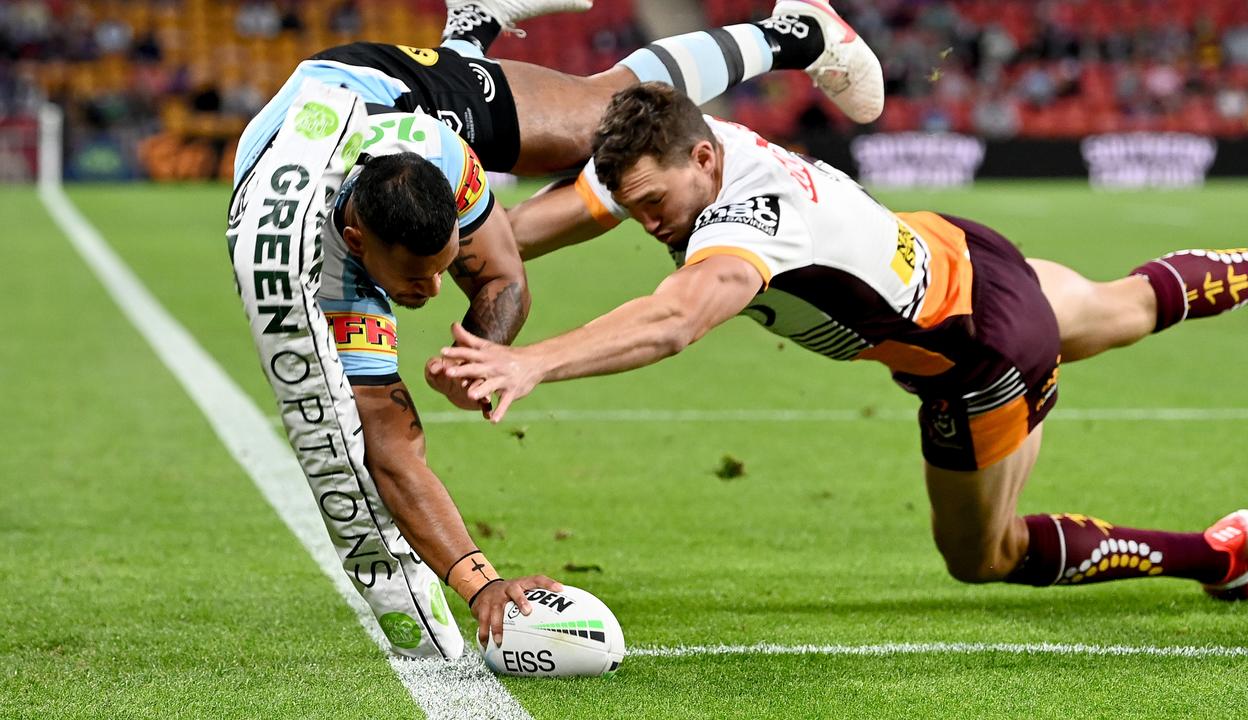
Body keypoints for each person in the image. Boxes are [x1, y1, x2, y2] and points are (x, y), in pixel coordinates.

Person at [438, 82, 1248, 604]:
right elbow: (541, 221)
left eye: (655, 204)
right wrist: (446, 244)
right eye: (637, 206)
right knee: (1129, 304)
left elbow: (676, 318)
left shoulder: (748, 224)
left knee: (983, 555)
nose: (647, 220)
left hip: (977, 357)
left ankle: (1214, 556)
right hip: (964, 255)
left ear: (700, 158)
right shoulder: (686, 147)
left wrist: (530, 359)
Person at [225, 0, 887, 659]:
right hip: (314, 132)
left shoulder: (446, 156)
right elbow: (383, 451)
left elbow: (503, 280)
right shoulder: (313, 268)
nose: (430, 293)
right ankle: (471, 32)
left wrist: (485, 352)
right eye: (412, 281)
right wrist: (478, 583)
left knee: (601, 122)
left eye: (442, 268)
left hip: (402, 99)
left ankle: (796, 29)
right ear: (357, 242)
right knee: (373, 422)